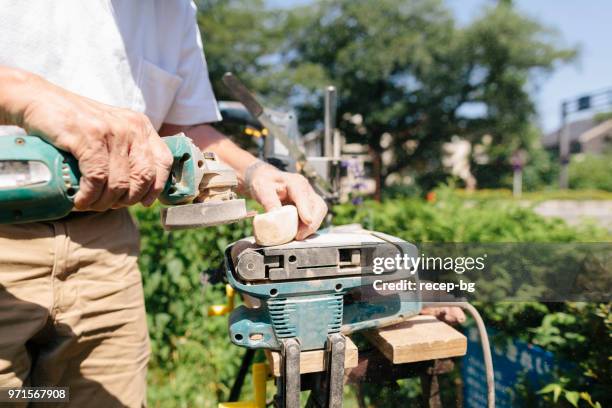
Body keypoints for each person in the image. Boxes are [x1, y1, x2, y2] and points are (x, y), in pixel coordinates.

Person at [0, 2, 326, 407]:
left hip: (106, 250)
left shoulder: (173, 8)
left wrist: (256, 173)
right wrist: (25, 94)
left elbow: (183, 128)